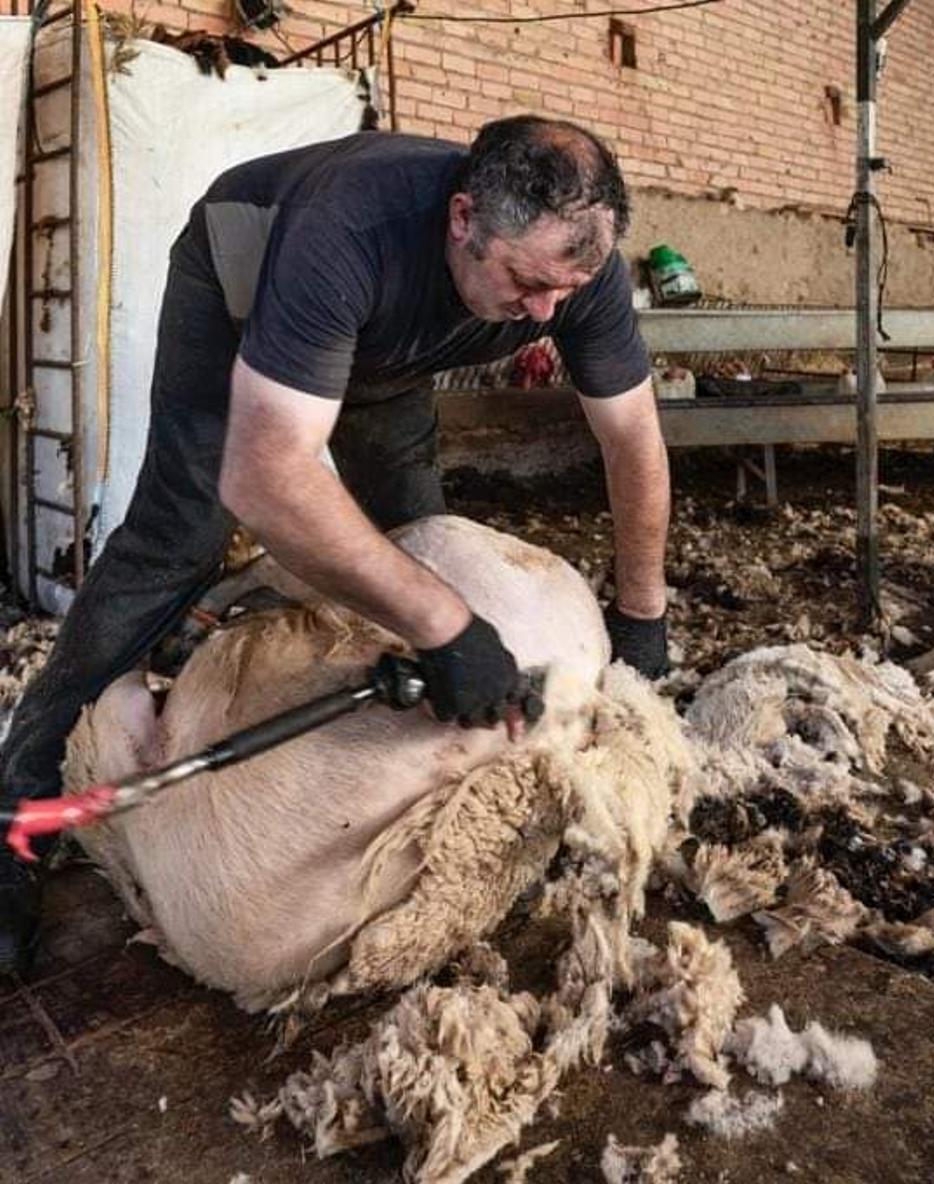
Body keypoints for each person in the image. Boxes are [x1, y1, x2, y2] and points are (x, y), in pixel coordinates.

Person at [0, 115, 672, 975]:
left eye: (565, 293)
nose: (545, 315)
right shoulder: (346, 230)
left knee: (416, 528)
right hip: (242, 292)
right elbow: (264, 477)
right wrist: (443, 624)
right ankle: (20, 796)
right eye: (527, 283)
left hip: (392, 346)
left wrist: (641, 613)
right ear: (463, 219)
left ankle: (319, 684)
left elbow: (633, 439)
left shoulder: (574, 272)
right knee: (184, 530)